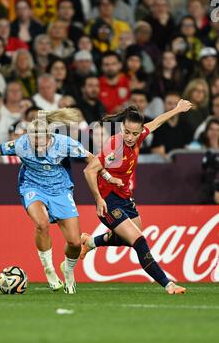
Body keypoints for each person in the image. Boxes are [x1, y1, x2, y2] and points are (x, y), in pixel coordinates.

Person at [0, 108, 122, 294]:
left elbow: (92, 160)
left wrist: (107, 177)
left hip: (60, 190)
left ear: (50, 137)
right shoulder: (21, 144)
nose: (36, 145)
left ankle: (68, 270)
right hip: (33, 187)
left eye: (41, 141)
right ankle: (49, 270)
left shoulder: (65, 144)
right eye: (33, 140)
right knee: (42, 223)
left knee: (73, 242)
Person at [81, 100, 193, 294]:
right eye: (126, 132)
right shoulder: (114, 146)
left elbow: (157, 122)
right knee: (139, 240)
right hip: (108, 201)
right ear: (121, 127)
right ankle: (168, 284)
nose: (130, 137)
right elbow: (89, 171)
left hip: (125, 197)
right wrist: (99, 199)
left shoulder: (138, 135)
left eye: (135, 133)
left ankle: (90, 242)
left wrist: (177, 110)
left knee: (126, 239)